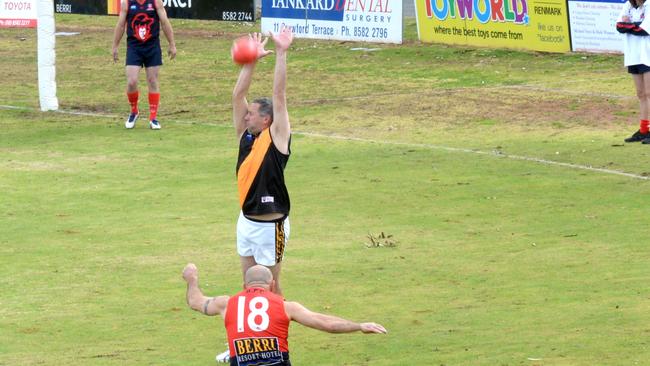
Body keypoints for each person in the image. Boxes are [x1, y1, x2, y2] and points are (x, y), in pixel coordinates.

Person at [182, 263, 388, 366]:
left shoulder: (226, 304)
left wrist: (192, 279)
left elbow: (195, 301)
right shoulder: (286, 306)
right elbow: (325, 323)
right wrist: (359, 326)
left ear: (244, 286)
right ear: (272, 285)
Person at [232, 27, 293, 298]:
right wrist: (251, 62)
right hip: (246, 222)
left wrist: (281, 52)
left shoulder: (277, 138)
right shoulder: (245, 137)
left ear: (266, 119)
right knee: (248, 286)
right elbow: (237, 96)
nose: (246, 117)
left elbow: (279, 97)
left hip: (271, 227)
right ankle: (246, 337)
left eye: (252, 114)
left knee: (271, 287)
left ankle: (277, 339)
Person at [111, 0, 176, 130]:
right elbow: (120, 25)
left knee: (152, 81)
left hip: (152, 47)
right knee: (131, 81)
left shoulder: (156, 2)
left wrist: (172, 44)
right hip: (134, 47)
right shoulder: (127, 3)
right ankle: (134, 111)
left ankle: (153, 118)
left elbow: (164, 22)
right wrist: (115, 46)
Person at [617, 0, 650, 144]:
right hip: (633, 55)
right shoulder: (627, 6)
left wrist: (628, 25)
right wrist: (634, 25)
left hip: (647, 55)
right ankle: (643, 130)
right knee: (641, 94)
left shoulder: (649, 5)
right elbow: (619, 26)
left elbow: (643, 30)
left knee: (649, 93)